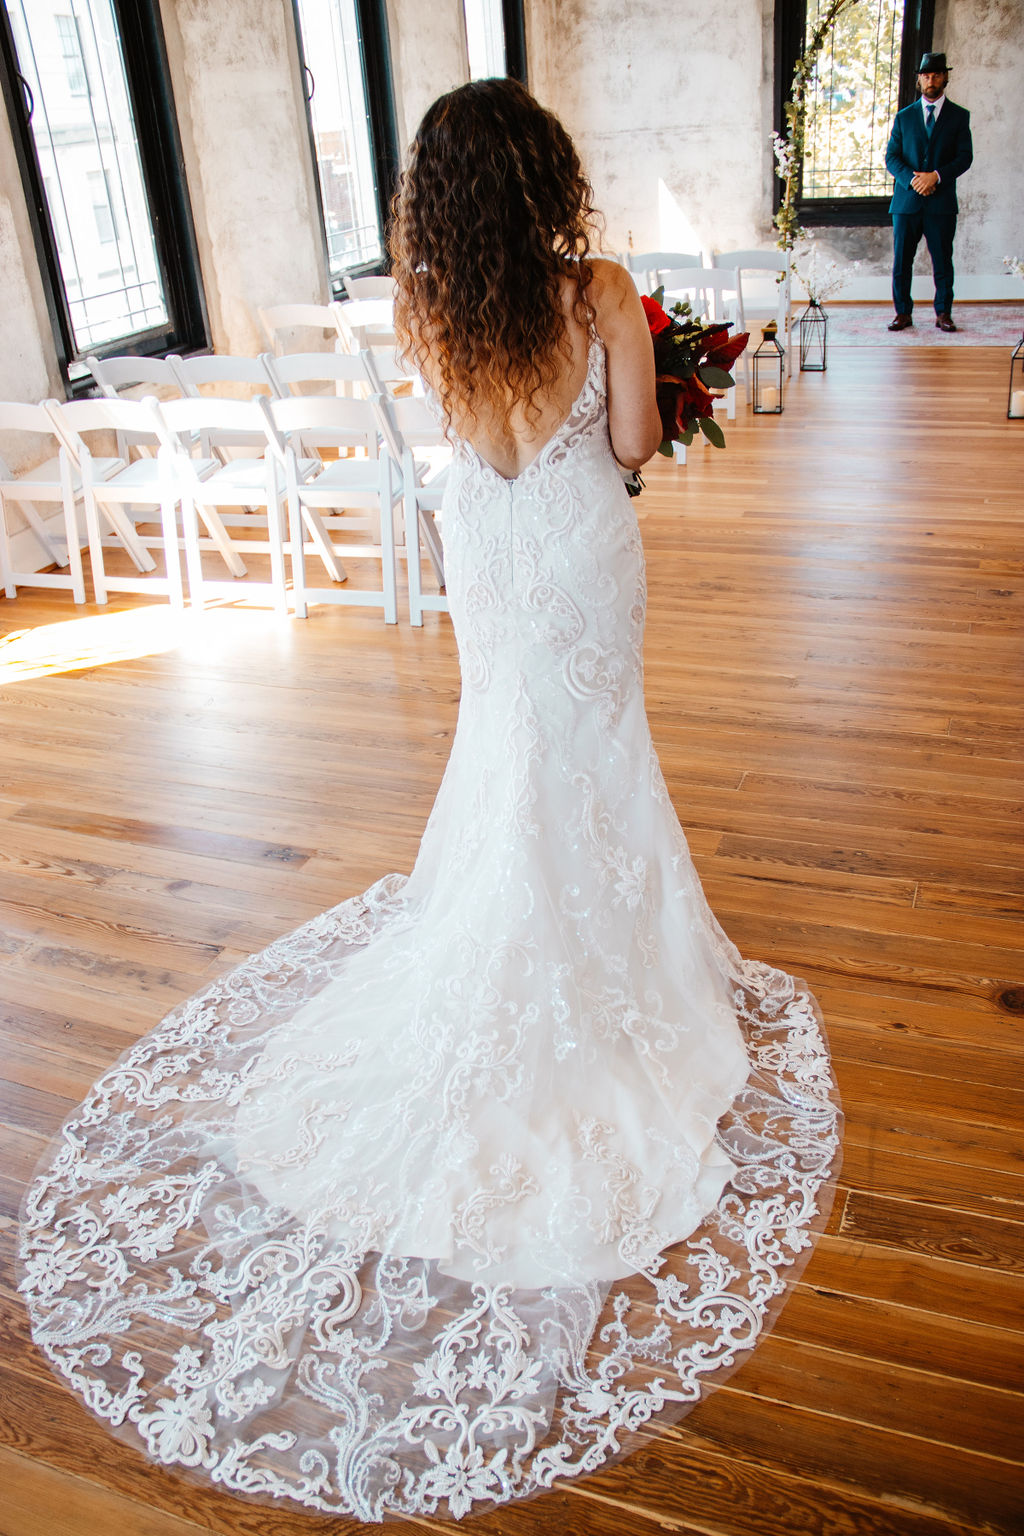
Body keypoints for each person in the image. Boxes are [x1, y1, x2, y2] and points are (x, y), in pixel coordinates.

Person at [19, 81, 841, 1523]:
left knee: (511, 749)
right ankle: (604, 966)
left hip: (494, 548)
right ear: (549, 173)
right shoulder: (601, 287)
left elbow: (481, 447)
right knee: (587, 751)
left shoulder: (437, 302)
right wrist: (666, 379)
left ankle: (522, 937)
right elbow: (636, 448)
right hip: (583, 547)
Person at [885, 51, 973, 332]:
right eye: (926, 75)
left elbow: (964, 157)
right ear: (919, 80)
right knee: (901, 261)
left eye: (936, 75)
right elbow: (892, 158)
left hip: (941, 202)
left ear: (945, 77)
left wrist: (936, 176)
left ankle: (943, 313)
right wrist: (914, 180)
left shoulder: (959, 117)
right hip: (907, 201)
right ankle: (903, 313)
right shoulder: (903, 117)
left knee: (943, 261)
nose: (931, 80)